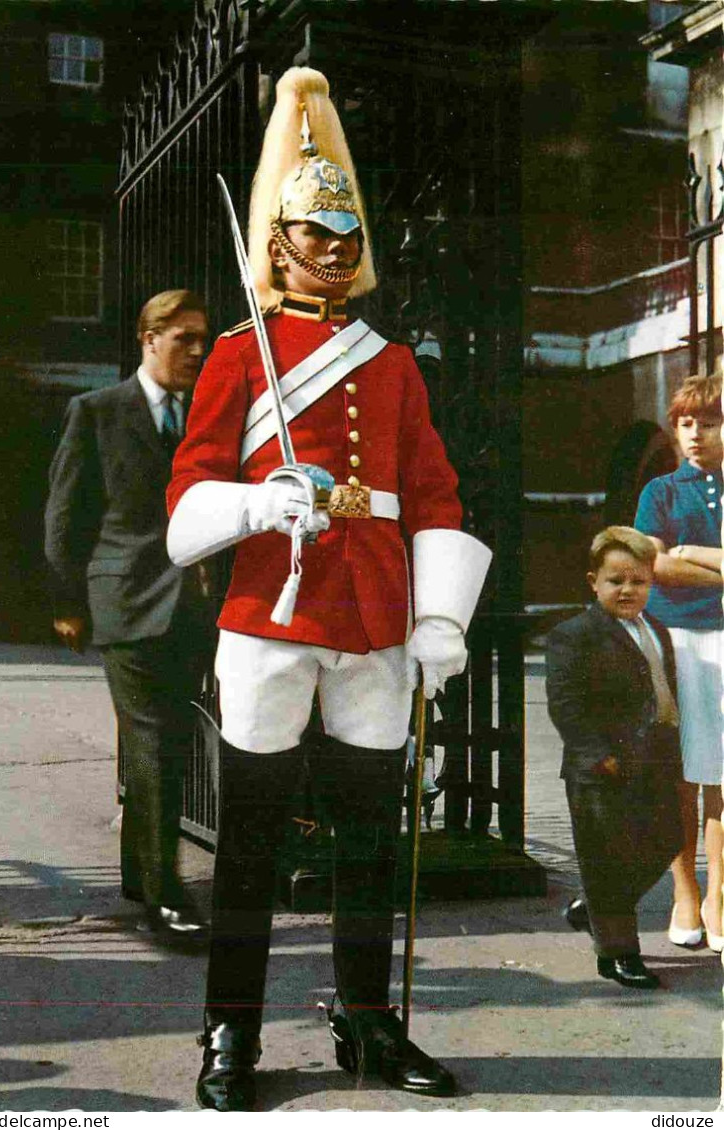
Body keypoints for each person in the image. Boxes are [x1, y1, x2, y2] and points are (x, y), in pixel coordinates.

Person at [166, 67, 492, 1112]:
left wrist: (439, 615)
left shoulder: (392, 363)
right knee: (252, 844)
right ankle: (231, 1028)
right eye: (318, 235)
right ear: (278, 243)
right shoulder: (233, 355)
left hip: (374, 619)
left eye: (350, 239)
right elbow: (185, 502)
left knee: (370, 841)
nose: (338, 253)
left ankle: (366, 1015)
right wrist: (258, 505)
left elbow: (433, 489)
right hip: (271, 612)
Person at [44, 289, 212, 944]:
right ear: (149, 338)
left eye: (204, 339)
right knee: (155, 742)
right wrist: (66, 604)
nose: (197, 351)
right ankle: (164, 898)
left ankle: (142, 880)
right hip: (128, 601)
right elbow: (66, 516)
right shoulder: (96, 411)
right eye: (184, 339)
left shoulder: (208, 415)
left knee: (162, 743)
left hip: (192, 608)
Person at [546, 526, 684, 990]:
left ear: (651, 583)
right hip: (601, 767)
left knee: (667, 838)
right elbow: (565, 704)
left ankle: (593, 907)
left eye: (638, 581)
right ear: (593, 581)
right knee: (609, 856)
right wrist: (596, 754)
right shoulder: (575, 635)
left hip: (653, 757)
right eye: (615, 581)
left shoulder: (656, 629)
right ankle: (620, 953)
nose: (627, 590)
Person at [634, 375, 724, 953]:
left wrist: (698, 554)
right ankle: (684, 890)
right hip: (678, 640)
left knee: (721, 774)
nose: (696, 434)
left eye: (710, 422)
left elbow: (676, 557)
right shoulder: (661, 493)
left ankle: (720, 894)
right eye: (687, 423)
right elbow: (656, 566)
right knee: (677, 771)